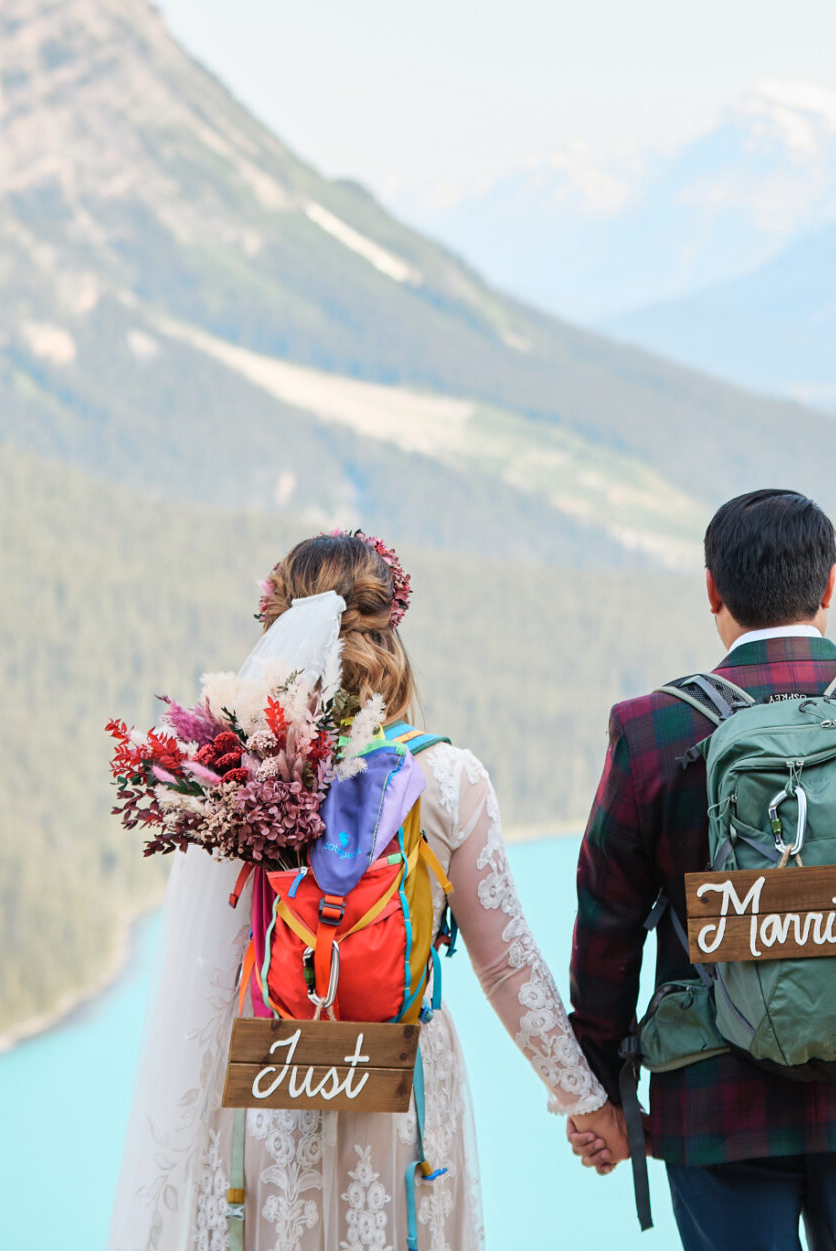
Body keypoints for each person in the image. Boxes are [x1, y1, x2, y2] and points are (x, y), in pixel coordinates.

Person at [107, 531, 609, 1251]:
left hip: (273, 1088)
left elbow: (210, 972)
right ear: (389, 635)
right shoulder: (446, 777)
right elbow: (505, 966)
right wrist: (586, 1099)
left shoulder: (240, 774)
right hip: (401, 1091)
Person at [565, 490, 836, 1251]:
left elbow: (604, 931)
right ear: (829, 586)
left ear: (712, 590)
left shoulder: (650, 731)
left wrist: (606, 1093)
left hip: (713, 1099)